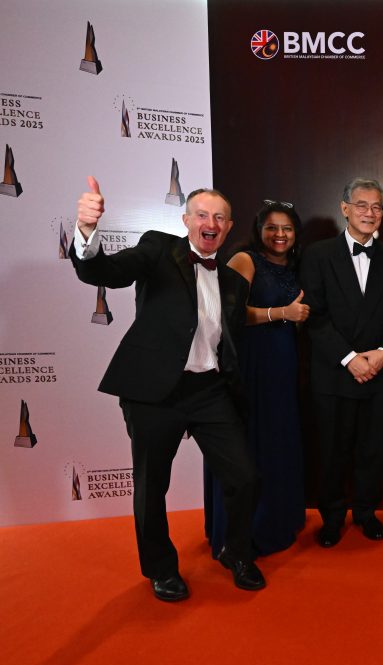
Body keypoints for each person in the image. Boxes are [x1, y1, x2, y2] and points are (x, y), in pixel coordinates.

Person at [70, 176, 264, 601]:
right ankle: (160, 569)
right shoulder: (158, 249)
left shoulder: (234, 283)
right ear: (186, 220)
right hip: (155, 392)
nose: (210, 223)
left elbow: (226, 342)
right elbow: (105, 272)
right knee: (151, 485)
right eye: (202, 214)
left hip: (209, 391)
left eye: (220, 217)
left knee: (245, 476)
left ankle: (236, 552)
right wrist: (86, 230)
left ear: (229, 227)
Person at [301, 179, 383, 546]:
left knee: (372, 449)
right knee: (332, 451)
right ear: (344, 208)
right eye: (362, 205)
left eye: (377, 207)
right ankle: (332, 518)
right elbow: (314, 316)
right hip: (334, 373)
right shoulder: (317, 255)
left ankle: (365, 512)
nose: (369, 212)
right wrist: (349, 358)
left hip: (380, 372)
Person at [203, 200, 309, 557]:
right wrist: (282, 313)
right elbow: (228, 313)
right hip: (250, 364)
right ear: (258, 230)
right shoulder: (245, 260)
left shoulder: (293, 266)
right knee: (247, 445)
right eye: (272, 228)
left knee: (276, 442)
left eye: (287, 228)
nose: (280, 234)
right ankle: (240, 534)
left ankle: (275, 521)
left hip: (283, 364)